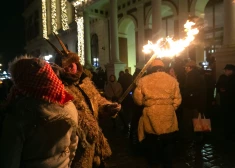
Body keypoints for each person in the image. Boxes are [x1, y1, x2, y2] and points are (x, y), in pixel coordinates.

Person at [46, 34, 121, 168]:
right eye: (66, 66)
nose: (71, 68)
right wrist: (87, 129)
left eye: (73, 64)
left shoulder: (85, 83)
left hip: (95, 141)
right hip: (77, 145)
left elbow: (98, 100)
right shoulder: (59, 89)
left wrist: (108, 107)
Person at [0, 56, 80, 168]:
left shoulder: (19, 113)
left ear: (22, 81)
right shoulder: (69, 104)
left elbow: (9, 160)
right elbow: (73, 145)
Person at [133, 59, 182, 168]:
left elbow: (138, 100)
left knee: (151, 140)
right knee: (168, 140)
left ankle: (154, 162)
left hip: (151, 113)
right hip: (167, 113)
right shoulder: (172, 80)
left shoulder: (143, 80)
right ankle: (167, 162)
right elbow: (178, 99)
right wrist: (169, 107)